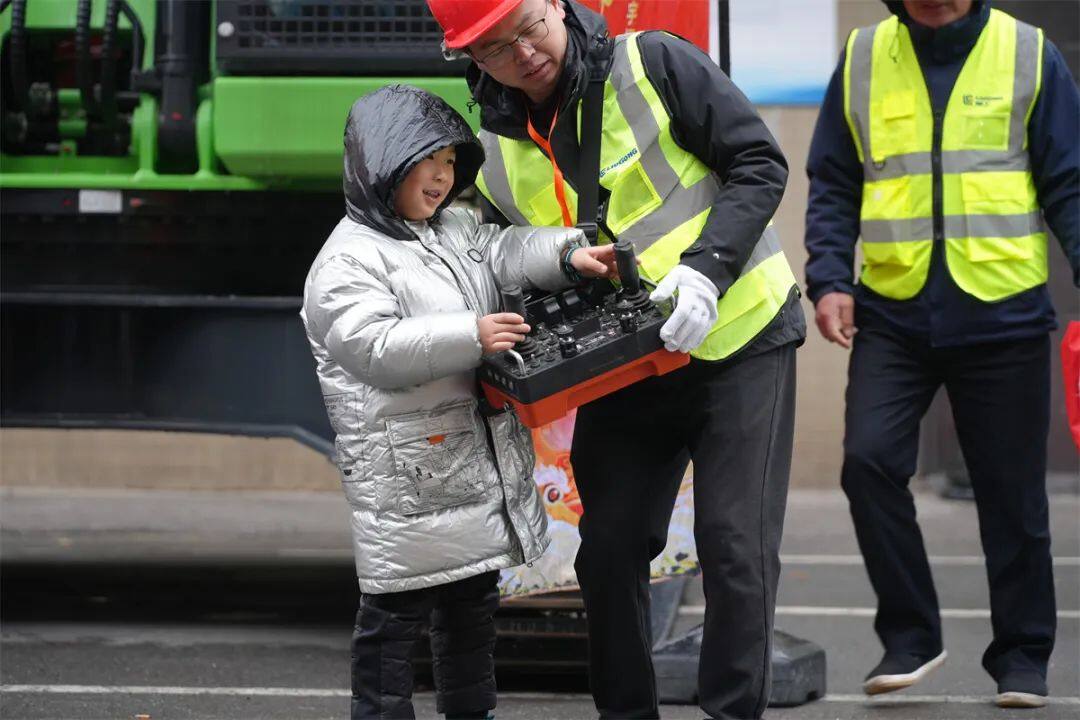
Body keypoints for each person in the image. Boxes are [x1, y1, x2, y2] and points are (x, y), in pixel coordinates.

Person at [427, 2, 807, 718]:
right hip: (625, 365)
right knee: (607, 552)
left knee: (736, 550)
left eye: (529, 27)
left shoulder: (654, 63)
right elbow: (512, 253)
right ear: (470, 61)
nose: (526, 53)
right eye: (497, 48)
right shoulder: (495, 143)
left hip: (739, 337)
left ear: (557, 6)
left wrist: (707, 268)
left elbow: (759, 161)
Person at [300, 84, 618, 720]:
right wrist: (471, 334)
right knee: (393, 622)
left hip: (469, 466)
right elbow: (374, 348)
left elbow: (504, 251)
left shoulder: (455, 227)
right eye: (428, 161)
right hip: (407, 480)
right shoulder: (346, 261)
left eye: (450, 162)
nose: (443, 177)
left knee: (472, 611)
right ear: (383, 164)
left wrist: (566, 251)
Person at [805, 0, 1079, 709]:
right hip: (893, 310)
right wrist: (831, 278)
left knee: (1011, 497)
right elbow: (834, 179)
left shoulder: (1028, 53)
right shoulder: (864, 56)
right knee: (868, 463)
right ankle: (910, 635)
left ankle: (1022, 655)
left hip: (1003, 309)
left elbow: (1070, 183)